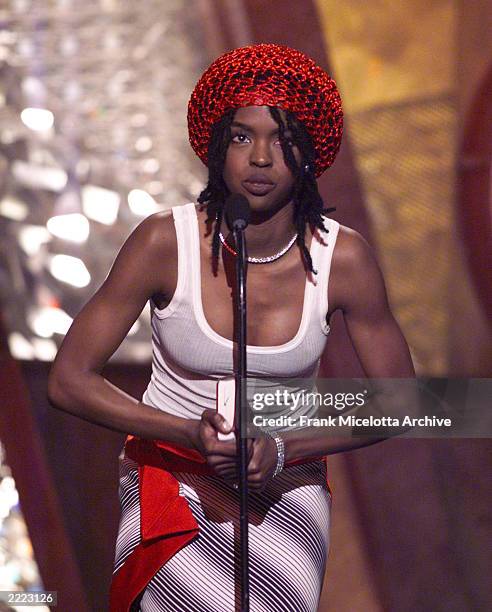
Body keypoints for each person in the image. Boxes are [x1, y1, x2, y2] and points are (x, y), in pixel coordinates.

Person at [48, 44, 414, 611]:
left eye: (283, 139)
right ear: (217, 149)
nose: (261, 158)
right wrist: (185, 432)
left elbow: (402, 402)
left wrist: (283, 444)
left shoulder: (344, 261)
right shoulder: (162, 243)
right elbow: (69, 380)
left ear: (309, 154)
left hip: (285, 487)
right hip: (170, 478)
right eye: (242, 137)